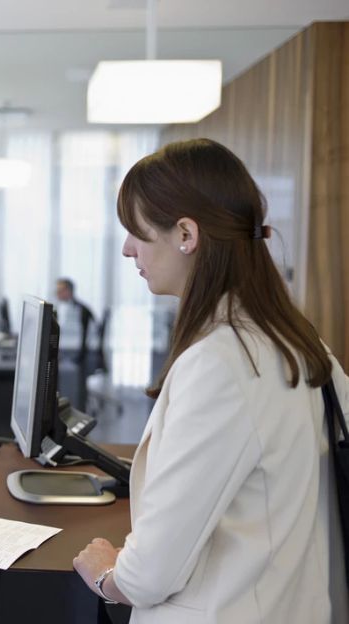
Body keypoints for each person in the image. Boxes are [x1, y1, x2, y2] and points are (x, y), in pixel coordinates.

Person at [72, 138, 349, 623]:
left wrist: (105, 575)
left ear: (185, 233)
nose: (126, 248)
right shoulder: (299, 343)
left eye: (136, 231)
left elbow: (152, 571)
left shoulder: (220, 363)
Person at [55, 277, 95, 356]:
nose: (57, 293)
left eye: (60, 290)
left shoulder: (79, 310)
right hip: (72, 349)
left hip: (75, 352)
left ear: (68, 291)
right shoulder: (63, 306)